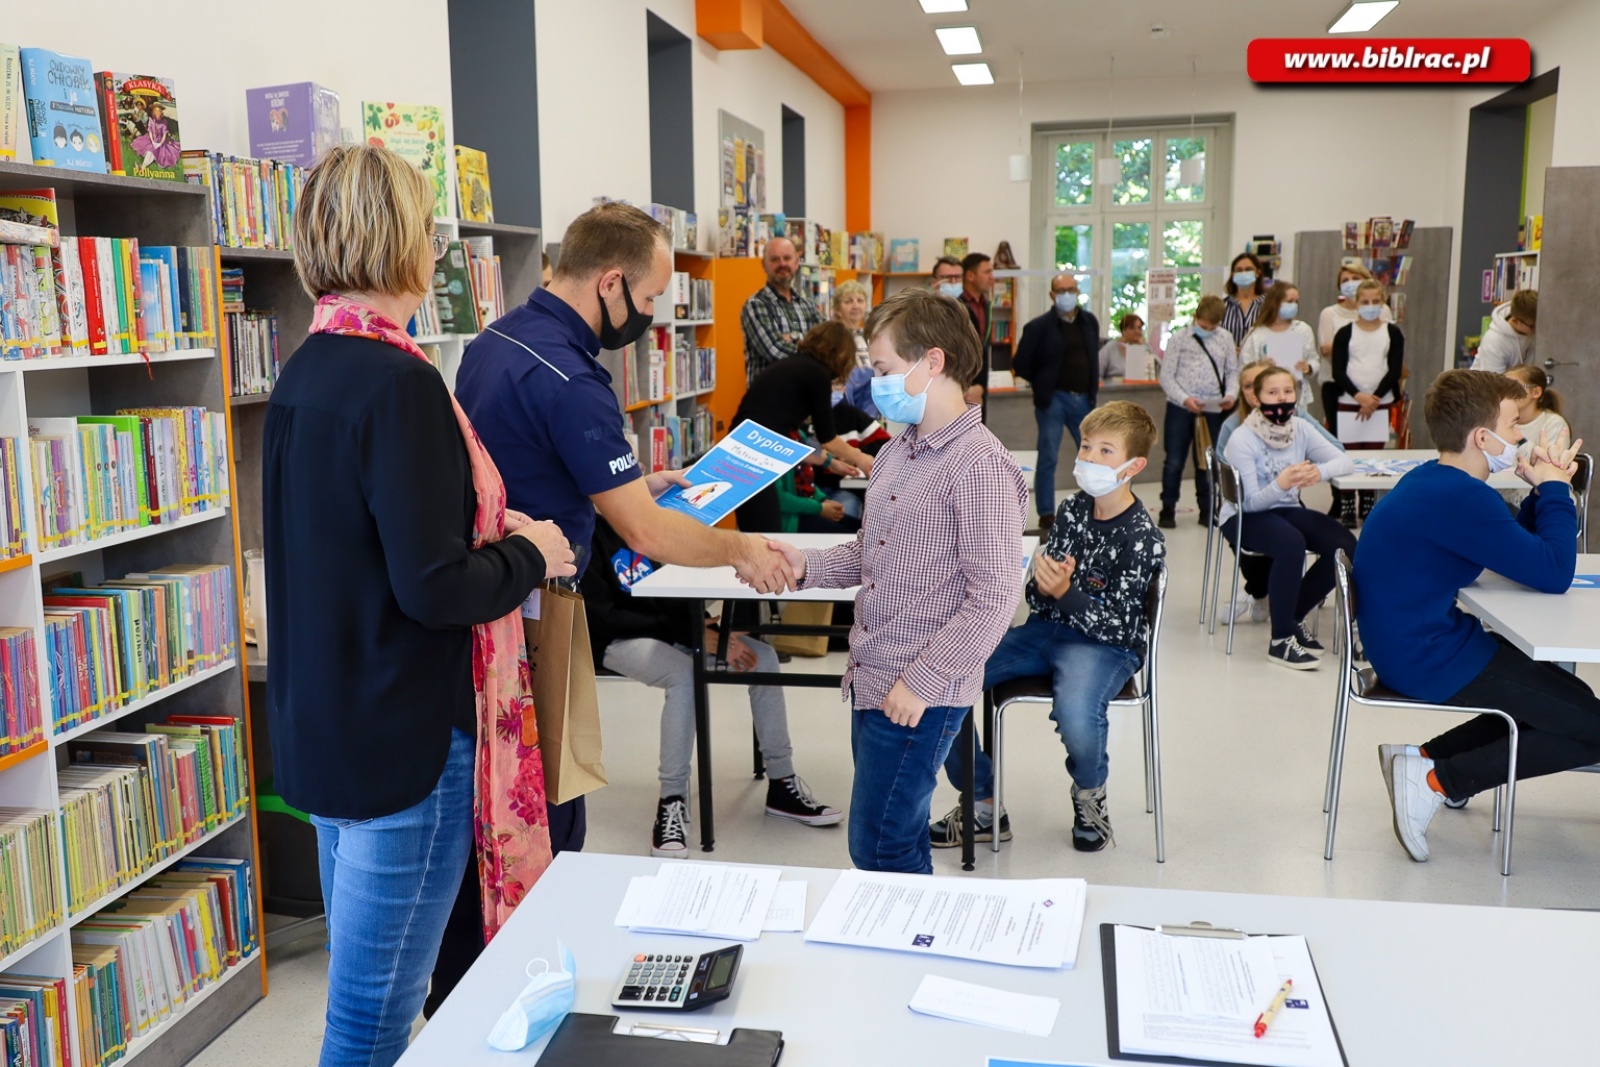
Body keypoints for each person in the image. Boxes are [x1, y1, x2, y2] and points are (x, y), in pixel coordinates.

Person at [263, 145, 577, 1067]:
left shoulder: (306, 369)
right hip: (404, 749)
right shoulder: (400, 382)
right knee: (372, 1020)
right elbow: (433, 588)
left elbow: (355, 545)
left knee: (359, 1000)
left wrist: (473, 524)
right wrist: (530, 552)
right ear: (407, 241)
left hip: (327, 734)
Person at [771, 287, 1028, 874]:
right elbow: (871, 553)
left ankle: (905, 950)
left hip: (920, 688)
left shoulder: (979, 466)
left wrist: (923, 681)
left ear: (931, 363)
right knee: (898, 836)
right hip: (874, 671)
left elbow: (993, 598)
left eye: (884, 367)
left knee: (878, 844)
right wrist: (805, 566)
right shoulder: (897, 453)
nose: (875, 380)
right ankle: (915, 946)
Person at [1355, 369, 1599, 863]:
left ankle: (1420, 758)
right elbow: (1552, 572)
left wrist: (1539, 491)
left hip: (1416, 642)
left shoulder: (1440, 482)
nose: (1520, 437)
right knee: (1590, 726)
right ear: (1481, 437)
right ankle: (1438, 780)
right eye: (1513, 426)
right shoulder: (1462, 497)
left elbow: (1514, 549)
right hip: (1427, 655)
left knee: (1570, 702)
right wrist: (1555, 490)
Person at [928, 402, 1165, 852]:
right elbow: (1036, 597)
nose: (1090, 459)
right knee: (945, 676)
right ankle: (982, 802)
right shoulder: (1072, 510)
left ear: (1133, 466)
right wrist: (1043, 585)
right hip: (1046, 629)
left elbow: (1122, 627)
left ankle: (1090, 794)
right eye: (1087, 447)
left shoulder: (1142, 538)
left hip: (1105, 648)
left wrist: (1066, 593)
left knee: (1077, 713)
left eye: (1105, 451)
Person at [581, 517, 841, 858]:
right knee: (684, 675)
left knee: (762, 659)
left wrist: (705, 627)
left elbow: (670, 592)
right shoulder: (584, 532)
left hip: (666, 629)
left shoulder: (639, 524)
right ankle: (671, 801)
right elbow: (603, 618)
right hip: (616, 640)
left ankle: (781, 784)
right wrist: (692, 635)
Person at [1220, 365, 1355, 669]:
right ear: (1256, 399)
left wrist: (1318, 471)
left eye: (1287, 391)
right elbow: (1251, 503)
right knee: (1291, 543)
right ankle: (1280, 640)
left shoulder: (1301, 428)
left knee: (1345, 545)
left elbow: (1344, 460)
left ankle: (1291, 617)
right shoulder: (1242, 439)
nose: (1281, 398)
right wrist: (1282, 482)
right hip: (1243, 515)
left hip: (1285, 508)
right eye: (1272, 392)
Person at [732, 321, 876, 534]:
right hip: (755, 451)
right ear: (842, 354)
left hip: (747, 443)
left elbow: (794, 440)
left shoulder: (797, 366)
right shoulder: (816, 374)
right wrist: (861, 458)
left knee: (760, 530)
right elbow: (828, 438)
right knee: (767, 533)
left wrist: (831, 462)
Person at [1013, 272, 1101, 529]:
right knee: (1048, 457)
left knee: (1093, 456)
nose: (1067, 294)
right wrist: (1043, 383)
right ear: (1052, 295)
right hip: (1054, 400)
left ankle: (1095, 506)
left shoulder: (1089, 322)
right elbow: (1021, 364)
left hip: (1084, 399)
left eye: (1071, 289)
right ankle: (1046, 514)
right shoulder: (1039, 326)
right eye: (1061, 290)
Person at [1157, 295, 1238, 529]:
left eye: (1214, 326)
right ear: (1196, 317)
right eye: (1204, 325)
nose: (1209, 329)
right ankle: (1168, 508)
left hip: (1212, 409)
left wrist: (1231, 395)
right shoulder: (1179, 338)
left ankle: (1207, 509)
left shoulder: (1225, 338)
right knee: (1174, 460)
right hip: (1181, 407)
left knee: (1207, 462)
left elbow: (1232, 371)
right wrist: (1185, 398)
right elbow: (1167, 377)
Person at [740, 235, 825, 385]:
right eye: (774, 259)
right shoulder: (755, 305)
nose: (782, 264)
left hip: (806, 400)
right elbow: (775, 350)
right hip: (770, 403)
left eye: (787, 258)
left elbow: (830, 345)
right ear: (764, 265)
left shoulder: (809, 306)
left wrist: (792, 338)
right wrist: (810, 346)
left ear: (797, 262)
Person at [1330, 280, 1405, 450]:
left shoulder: (1393, 333)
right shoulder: (1344, 333)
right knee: (1350, 454)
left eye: (1375, 301)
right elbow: (1338, 371)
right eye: (1365, 302)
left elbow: (1394, 370)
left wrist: (1374, 399)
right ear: (1356, 304)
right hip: (1349, 400)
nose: (1370, 306)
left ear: (1382, 303)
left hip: (1381, 402)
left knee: (1375, 454)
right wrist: (1359, 396)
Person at [1316, 262, 1390, 428]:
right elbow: (1328, 353)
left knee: (1371, 440)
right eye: (1345, 280)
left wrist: (1338, 344)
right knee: (1340, 439)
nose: (1350, 283)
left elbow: (1383, 346)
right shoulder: (1329, 313)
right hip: (1336, 385)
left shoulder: (1381, 309)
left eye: (1355, 278)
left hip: (1373, 386)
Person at [1238, 281, 1319, 412]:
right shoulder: (1257, 333)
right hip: (1266, 397)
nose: (1293, 305)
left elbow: (1314, 359)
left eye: (1296, 302)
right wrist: (1262, 367)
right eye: (1289, 301)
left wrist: (1308, 367)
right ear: (1275, 303)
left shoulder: (1303, 330)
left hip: (1297, 396)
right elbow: (1244, 366)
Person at [1505, 364, 1571, 462]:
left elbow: (1548, 466)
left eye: (1513, 387)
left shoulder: (1555, 424)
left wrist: (1520, 441)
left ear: (1536, 392)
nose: (1505, 393)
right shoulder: (1498, 418)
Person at [834, 280, 878, 417]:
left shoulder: (870, 334)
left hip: (871, 398)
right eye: (848, 301)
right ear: (837, 310)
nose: (855, 306)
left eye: (860, 300)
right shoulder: (834, 335)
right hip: (845, 397)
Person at [1470, 289, 1537, 373]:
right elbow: (1494, 381)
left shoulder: (1528, 330)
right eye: (1532, 326)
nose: (1536, 330)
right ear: (1514, 320)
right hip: (1485, 384)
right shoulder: (1494, 341)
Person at [958, 252, 994, 408]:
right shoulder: (957, 306)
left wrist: (981, 386)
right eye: (986, 272)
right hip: (959, 389)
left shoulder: (986, 306)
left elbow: (982, 350)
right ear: (970, 275)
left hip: (979, 388)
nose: (992, 277)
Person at [1221, 251, 1269, 345]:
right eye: (1238, 270)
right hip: (1229, 358)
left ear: (1258, 273)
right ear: (1232, 274)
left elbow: (1280, 333)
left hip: (1261, 359)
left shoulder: (1270, 305)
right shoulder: (1222, 305)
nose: (1243, 273)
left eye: (1248, 269)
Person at [1099, 312, 1146, 382]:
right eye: (1132, 328)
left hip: (1140, 389)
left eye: (1139, 328)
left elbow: (1159, 371)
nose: (1137, 331)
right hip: (1114, 389)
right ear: (1123, 330)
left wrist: (1143, 348)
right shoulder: (1110, 347)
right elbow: (1096, 372)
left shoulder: (1145, 348)